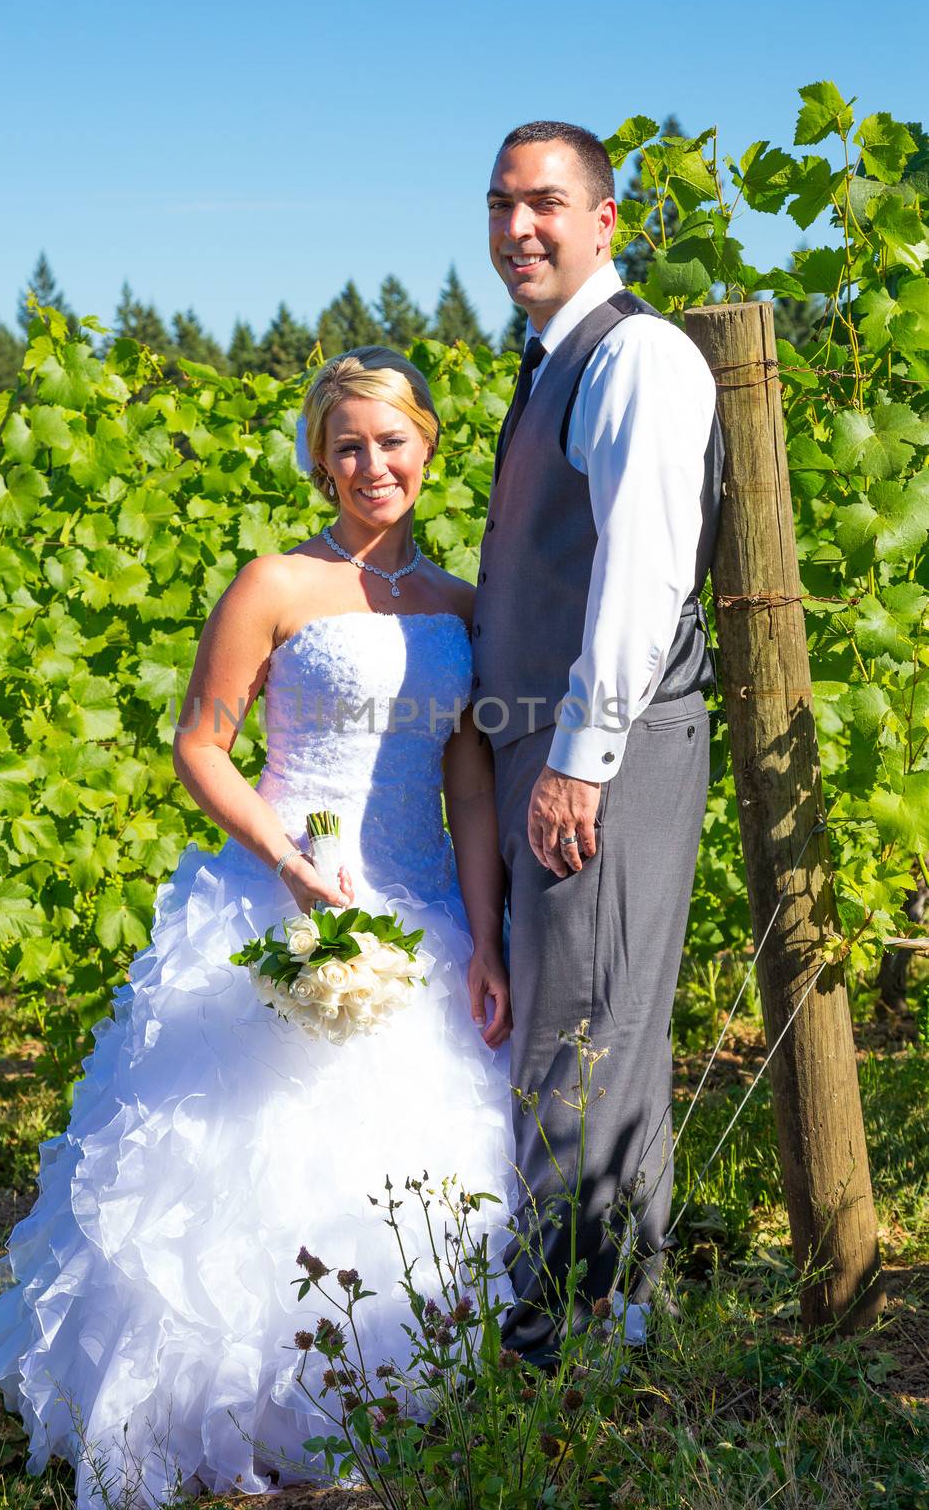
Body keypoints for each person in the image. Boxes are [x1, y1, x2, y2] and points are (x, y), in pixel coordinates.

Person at [0, 347, 518, 1508]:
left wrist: (487, 934)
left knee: (406, 1160)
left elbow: (468, 782)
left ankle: (388, 1397)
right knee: (255, 1153)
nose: (371, 464)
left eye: (390, 440)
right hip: (294, 885)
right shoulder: (273, 584)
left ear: (427, 448)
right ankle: (232, 1414)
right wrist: (289, 862)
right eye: (346, 445)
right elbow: (199, 743)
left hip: (426, 912)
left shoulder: (461, 607)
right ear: (321, 461)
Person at [472, 121, 724, 1365]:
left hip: (602, 754)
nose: (520, 226)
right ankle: (607, 1327)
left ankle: (568, 1348)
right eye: (501, 204)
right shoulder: (546, 363)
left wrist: (578, 754)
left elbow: (640, 577)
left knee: (584, 1039)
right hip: (554, 750)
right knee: (578, 1032)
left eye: (546, 203)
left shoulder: (639, 359)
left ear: (604, 218)